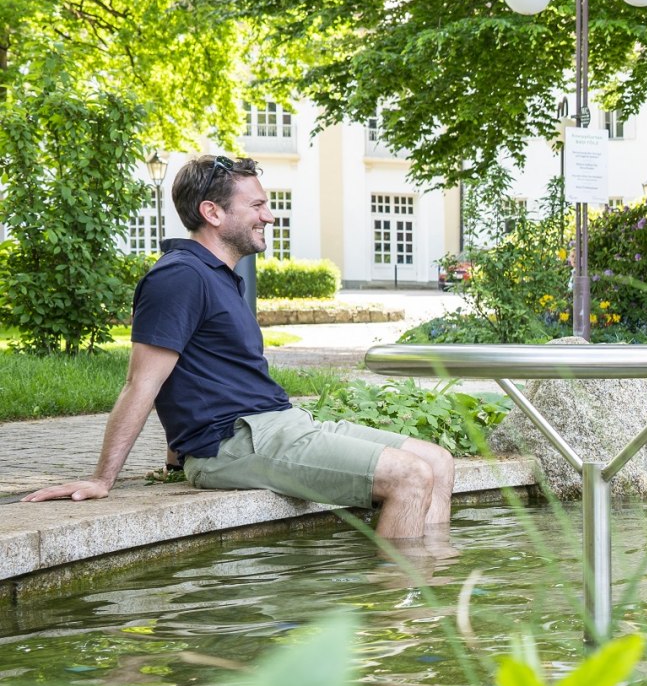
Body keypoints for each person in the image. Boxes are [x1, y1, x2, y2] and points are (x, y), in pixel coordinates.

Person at [24, 154, 455, 540]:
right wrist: (103, 479)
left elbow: (196, 370)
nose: (269, 216)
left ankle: (434, 582)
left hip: (278, 426)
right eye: (257, 206)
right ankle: (404, 613)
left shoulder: (216, 275)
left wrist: (173, 457)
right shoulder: (179, 277)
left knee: (438, 462)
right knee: (410, 476)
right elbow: (142, 383)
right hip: (234, 444)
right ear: (211, 212)